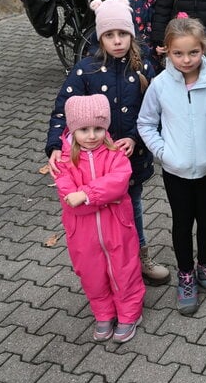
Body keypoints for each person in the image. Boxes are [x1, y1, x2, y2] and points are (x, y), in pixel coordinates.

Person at [46, 0, 171, 286]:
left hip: (131, 159)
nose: (117, 41)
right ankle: (107, 265)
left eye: (123, 34)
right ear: (100, 37)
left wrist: (136, 138)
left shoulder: (144, 67)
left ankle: (139, 258)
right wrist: (54, 145)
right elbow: (62, 110)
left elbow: (156, 110)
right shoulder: (85, 70)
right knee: (101, 215)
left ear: (132, 35)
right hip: (93, 163)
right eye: (110, 35)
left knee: (132, 209)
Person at [137, 14, 206, 316]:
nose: (186, 59)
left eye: (193, 52)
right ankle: (186, 274)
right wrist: (164, 153)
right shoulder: (160, 85)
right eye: (178, 53)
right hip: (175, 170)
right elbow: (146, 123)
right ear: (167, 51)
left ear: (203, 48)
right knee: (181, 222)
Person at [54, 94, 146, 343]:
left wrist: (86, 194)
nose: (92, 135)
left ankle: (129, 314)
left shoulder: (115, 154)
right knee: (92, 274)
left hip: (118, 227)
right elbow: (68, 197)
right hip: (83, 234)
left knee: (125, 269)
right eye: (84, 129)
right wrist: (97, 198)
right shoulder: (64, 161)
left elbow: (118, 182)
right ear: (73, 129)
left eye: (98, 128)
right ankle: (103, 313)